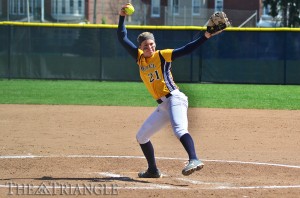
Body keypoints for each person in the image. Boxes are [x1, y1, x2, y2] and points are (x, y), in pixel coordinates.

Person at [117, 3, 222, 178]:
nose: (149, 47)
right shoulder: (140, 59)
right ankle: (152, 170)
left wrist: (206, 36)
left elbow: (187, 49)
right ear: (141, 48)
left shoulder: (162, 55)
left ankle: (194, 159)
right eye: (145, 46)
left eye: (151, 44)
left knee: (179, 130)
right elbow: (122, 37)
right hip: (163, 106)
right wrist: (121, 17)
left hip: (175, 98)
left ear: (154, 44)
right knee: (141, 136)